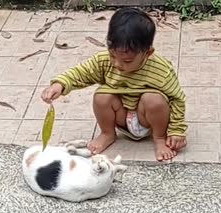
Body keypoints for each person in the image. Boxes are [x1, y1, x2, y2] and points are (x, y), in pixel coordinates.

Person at [41, 7, 187, 161]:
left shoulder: (161, 70)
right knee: (102, 96)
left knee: (153, 99)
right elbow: (81, 72)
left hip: (147, 118)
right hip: (121, 115)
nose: (117, 64)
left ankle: (159, 138)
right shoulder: (104, 61)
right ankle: (107, 133)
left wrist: (177, 130)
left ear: (147, 53)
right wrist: (59, 85)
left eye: (127, 61)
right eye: (112, 55)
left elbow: (177, 99)